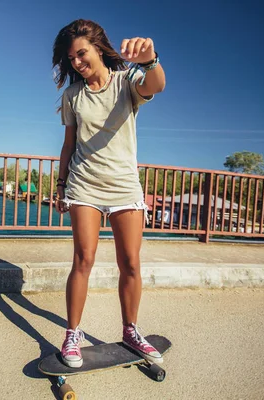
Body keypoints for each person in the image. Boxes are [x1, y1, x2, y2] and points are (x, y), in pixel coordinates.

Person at [52, 19, 166, 368]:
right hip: (84, 184)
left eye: (81, 53)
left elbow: (156, 85)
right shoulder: (73, 96)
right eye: (71, 58)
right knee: (83, 259)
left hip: (124, 187)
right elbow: (68, 144)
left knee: (130, 263)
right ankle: (73, 333)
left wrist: (149, 61)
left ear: (98, 48)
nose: (76, 62)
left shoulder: (127, 81)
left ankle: (131, 330)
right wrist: (60, 185)